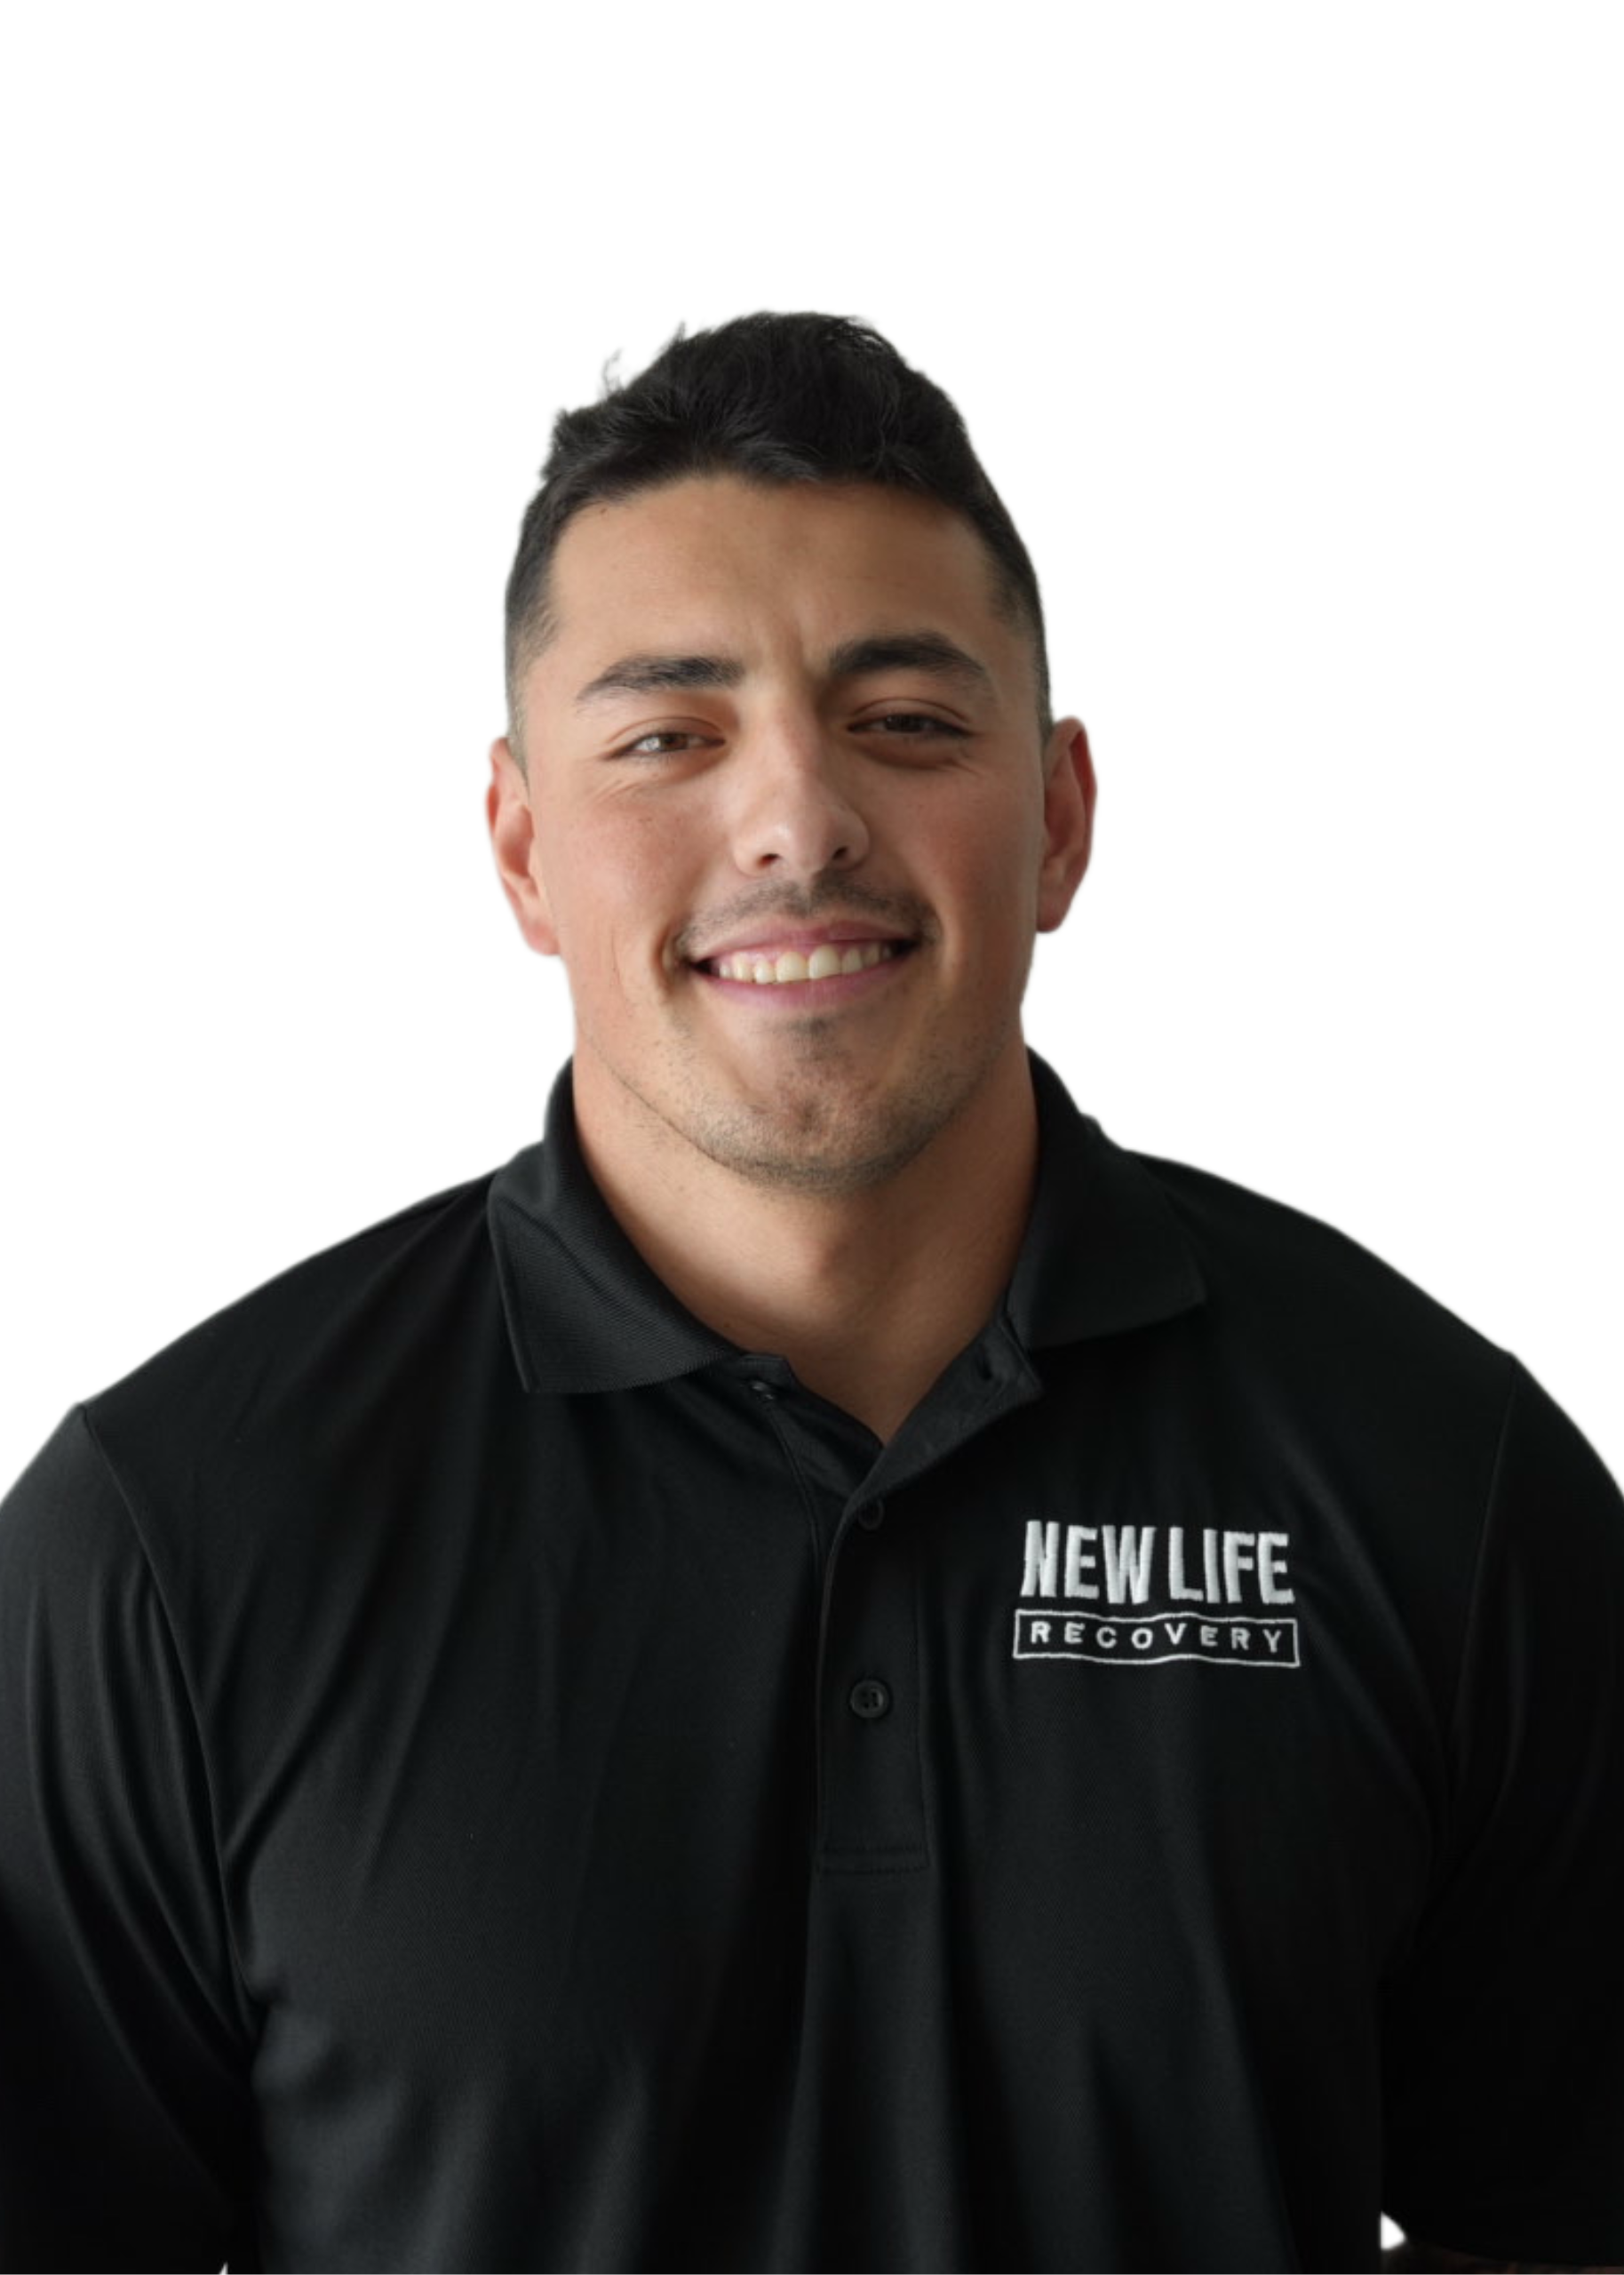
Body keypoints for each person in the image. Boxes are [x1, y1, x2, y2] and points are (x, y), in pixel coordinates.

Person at [1, 312, 1620, 2275]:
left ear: (1059, 819)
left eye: (907, 722)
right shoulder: (170, 1545)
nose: (796, 820)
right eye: (667, 737)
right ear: (521, 849)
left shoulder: (1441, 1481)